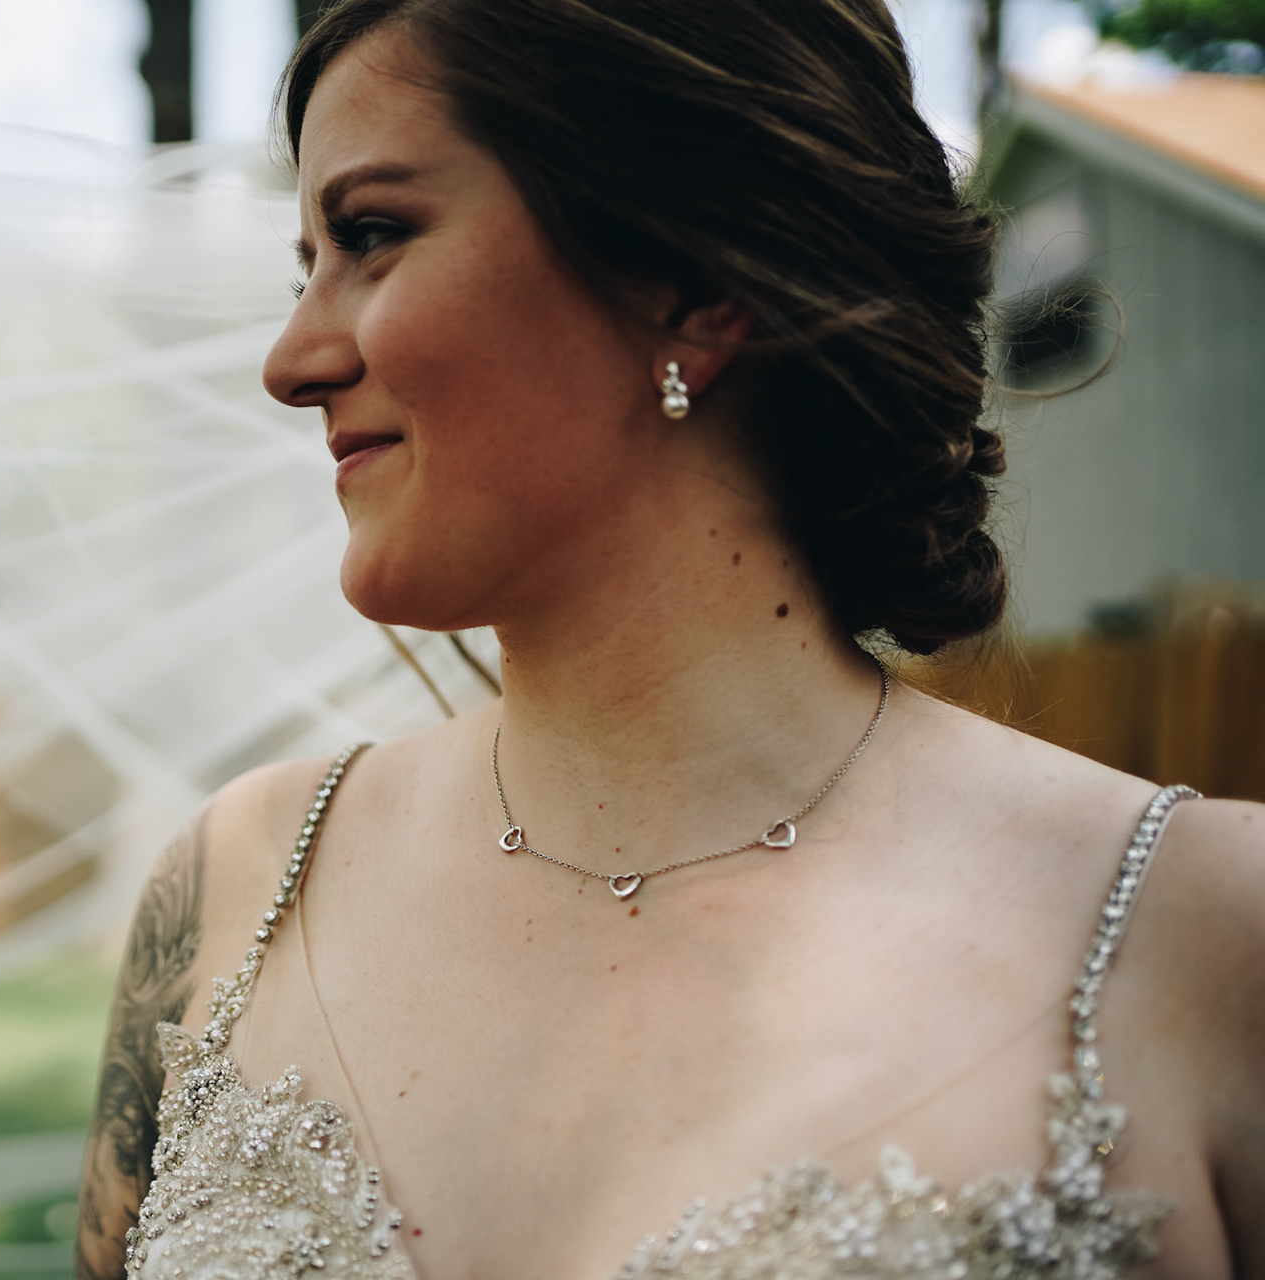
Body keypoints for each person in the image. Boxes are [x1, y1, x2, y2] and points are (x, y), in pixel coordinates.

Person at [73, 0, 1265, 1275]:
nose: (290, 359)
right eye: (303, 266)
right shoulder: (238, 890)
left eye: (372, 235)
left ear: (694, 282)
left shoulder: (1204, 926)